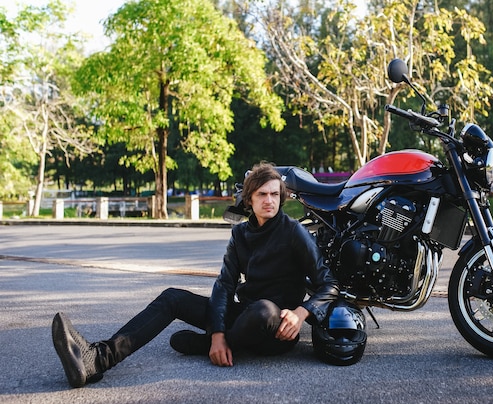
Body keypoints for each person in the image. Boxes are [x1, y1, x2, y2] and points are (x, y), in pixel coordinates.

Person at [52, 162, 340, 388]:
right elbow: (224, 286)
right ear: (249, 199)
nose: (270, 201)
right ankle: (97, 359)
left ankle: (205, 345)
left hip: (275, 328)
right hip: (242, 316)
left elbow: (328, 283)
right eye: (262, 194)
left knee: (264, 310)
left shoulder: (293, 232)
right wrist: (217, 333)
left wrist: (301, 313)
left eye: (275, 194)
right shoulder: (240, 233)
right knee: (171, 298)